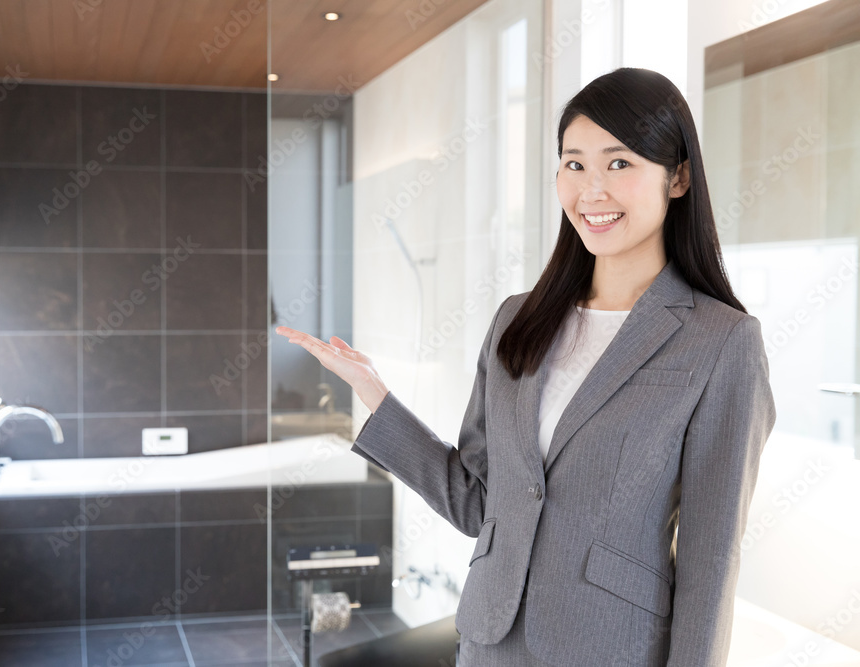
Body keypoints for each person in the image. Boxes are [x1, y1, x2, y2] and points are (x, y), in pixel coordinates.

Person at [275, 67, 776, 666]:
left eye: (620, 164)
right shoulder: (518, 321)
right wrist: (375, 395)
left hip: (612, 648)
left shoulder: (722, 342)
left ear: (678, 177)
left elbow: (710, 562)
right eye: (574, 163)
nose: (592, 190)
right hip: (491, 642)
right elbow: (477, 502)